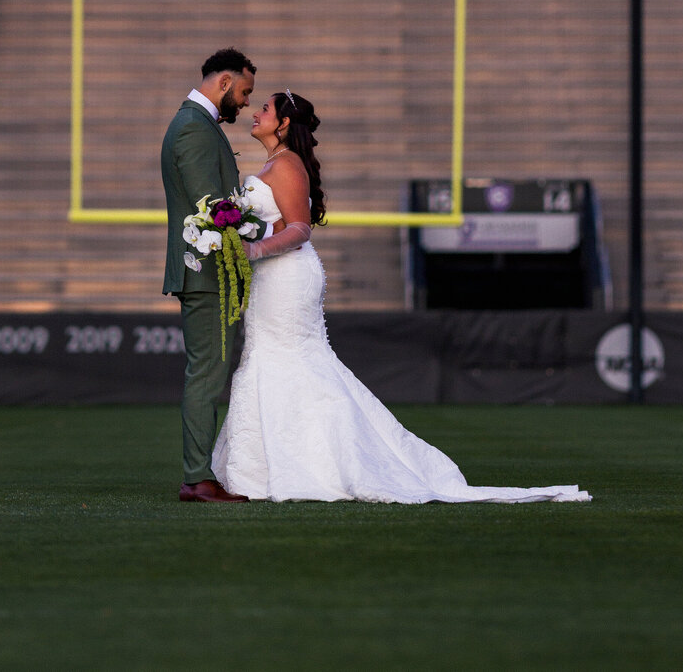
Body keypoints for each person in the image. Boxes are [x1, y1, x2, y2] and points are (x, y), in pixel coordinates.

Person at [211, 90, 591, 505]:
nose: (255, 112)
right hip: (272, 276)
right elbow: (279, 222)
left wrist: (253, 249)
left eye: (264, 109)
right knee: (275, 358)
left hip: (285, 275)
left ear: (283, 123)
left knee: (288, 359)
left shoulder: (286, 164)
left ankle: (313, 463)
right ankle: (269, 464)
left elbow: (300, 229)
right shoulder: (274, 164)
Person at [161, 48, 256, 504]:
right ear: (223, 82)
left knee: (209, 372)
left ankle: (203, 474)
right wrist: (255, 225)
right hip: (205, 274)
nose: (244, 102)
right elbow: (210, 209)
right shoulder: (194, 130)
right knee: (206, 375)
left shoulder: (195, 126)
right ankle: (198, 477)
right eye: (243, 91)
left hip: (208, 272)